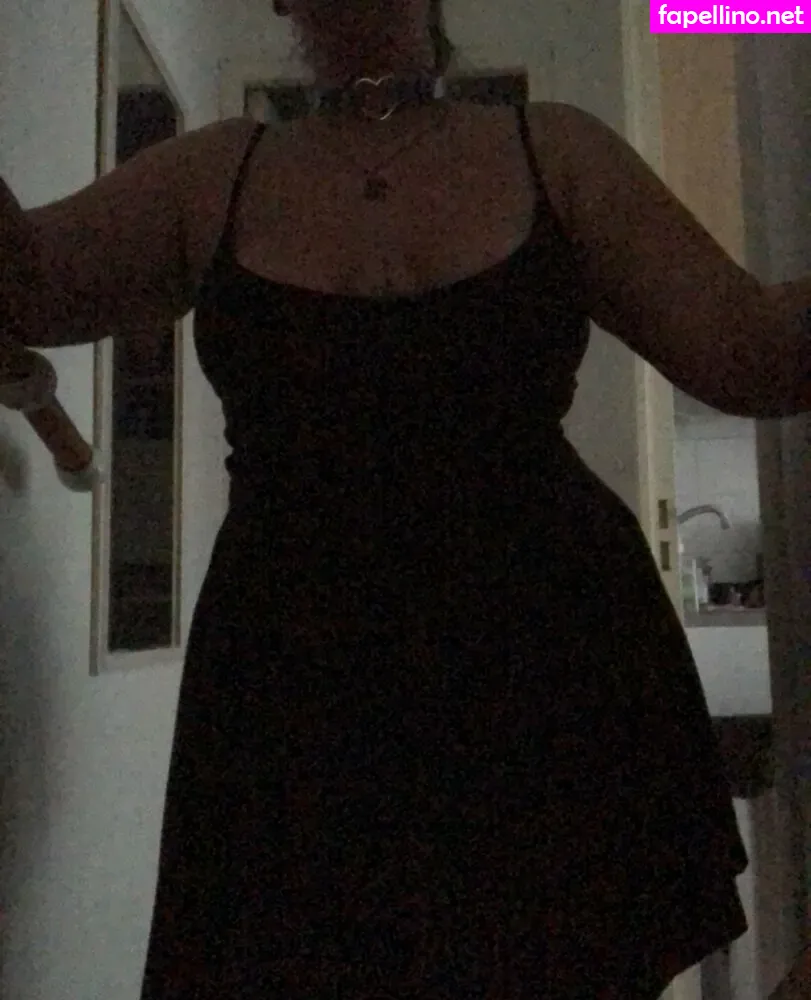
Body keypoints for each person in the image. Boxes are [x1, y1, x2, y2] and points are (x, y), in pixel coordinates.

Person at [1, 1, 810, 997]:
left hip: (551, 680)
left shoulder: (554, 151)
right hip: (296, 696)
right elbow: (26, 285)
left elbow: (753, 352)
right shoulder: (215, 173)